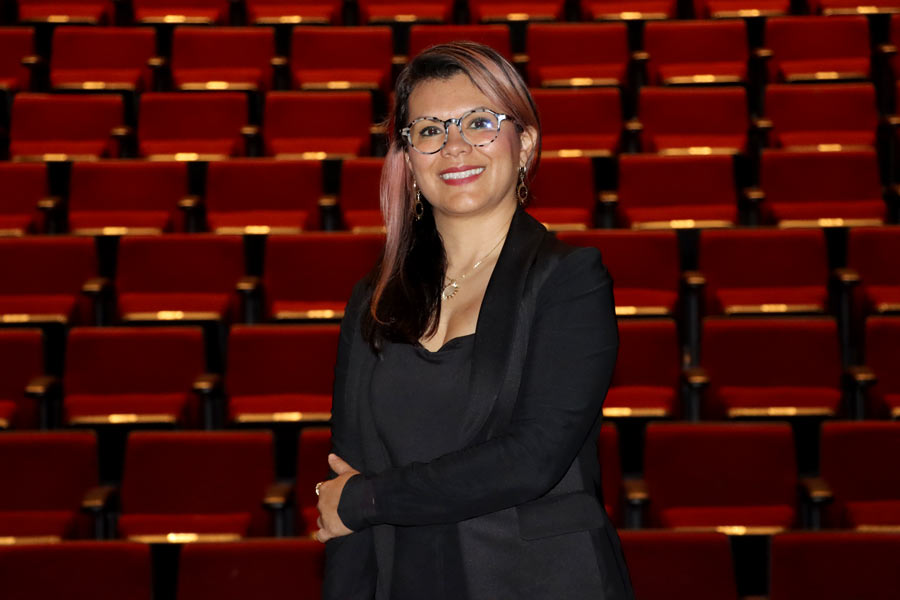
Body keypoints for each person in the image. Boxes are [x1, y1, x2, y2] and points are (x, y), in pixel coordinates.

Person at [313, 41, 634, 600]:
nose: (455, 146)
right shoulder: (374, 298)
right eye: (430, 130)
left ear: (525, 142)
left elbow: (531, 459)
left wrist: (369, 500)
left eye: (480, 122)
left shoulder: (569, 280)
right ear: (409, 158)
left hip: (540, 582)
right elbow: (347, 478)